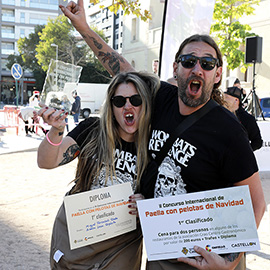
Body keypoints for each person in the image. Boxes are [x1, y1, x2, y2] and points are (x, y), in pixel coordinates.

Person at [60, 1, 266, 269]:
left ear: (217, 75)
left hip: (206, 256)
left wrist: (228, 263)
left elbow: (256, 203)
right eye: (189, 61)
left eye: (207, 63)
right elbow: (120, 68)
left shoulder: (228, 130)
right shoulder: (161, 99)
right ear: (175, 68)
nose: (197, 69)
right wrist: (83, 27)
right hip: (161, 249)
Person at [37, 71, 160, 269]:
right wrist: (56, 130)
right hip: (77, 238)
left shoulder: (155, 145)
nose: (128, 106)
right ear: (111, 106)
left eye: (135, 100)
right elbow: (46, 161)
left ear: (145, 103)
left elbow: (164, 200)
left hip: (119, 246)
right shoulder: (93, 129)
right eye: (119, 101)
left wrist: (146, 205)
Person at [224, 86, 263, 151]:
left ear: (236, 100)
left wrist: (243, 152)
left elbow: (257, 142)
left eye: (226, 97)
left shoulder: (247, 119)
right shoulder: (222, 114)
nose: (224, 100)